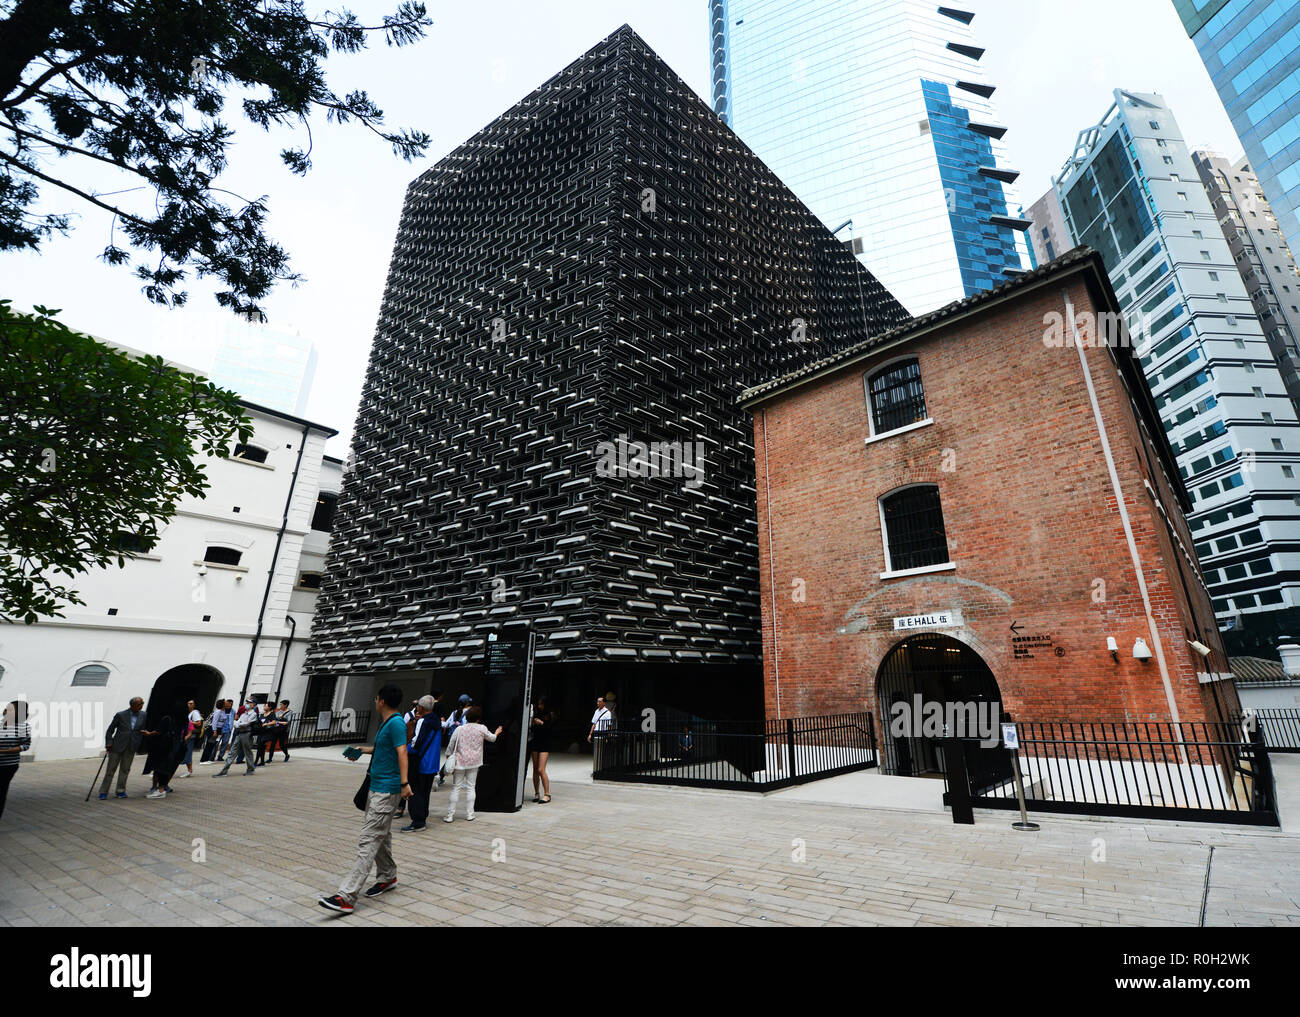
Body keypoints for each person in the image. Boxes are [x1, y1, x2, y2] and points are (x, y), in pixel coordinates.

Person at [319, 684, 412, 914]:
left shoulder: (397, 723)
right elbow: (386, 749)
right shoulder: (387, 724)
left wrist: (404, 784)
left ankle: (347, 896)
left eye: (376, 698)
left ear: (381, 700)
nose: (375, 700)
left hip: (386, 790)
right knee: (381, 834)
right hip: (376, 786)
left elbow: (402, 751)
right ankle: (388, 876)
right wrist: (363, 749)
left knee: (369, 840)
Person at [443, 706, 502, 824]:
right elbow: (492, 739)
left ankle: (450, 815)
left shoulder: (460, 729)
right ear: (478, 718)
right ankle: (470, 814)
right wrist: (497, 732)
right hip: (474, 762)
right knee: (471, 787)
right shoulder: (482, 728)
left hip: (460, 762)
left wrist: (448, 755)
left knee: (456, 788)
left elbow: (451, 744)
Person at [401, 694, 442, 832]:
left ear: (422, 708)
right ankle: (422, 817)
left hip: (420, 762)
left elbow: (416, 743)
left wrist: (403, 750)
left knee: (415, 792)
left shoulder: (423, 721)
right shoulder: (436, 720)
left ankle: (417, 821)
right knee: (425, 792)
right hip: (432, 763)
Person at [99, 697, 150, 799]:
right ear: (133, 705)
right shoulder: (121, 715)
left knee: (125, 769)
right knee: (110, 770)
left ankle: (120, 790)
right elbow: (110, 730)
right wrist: (108, 742)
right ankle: (103, 791)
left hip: (131, 746)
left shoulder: (144, 715)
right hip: (117, 746)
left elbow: (143, 728)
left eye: (142, 703)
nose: (142, 705)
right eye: (140, 704)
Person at [0, 700, 32, 821]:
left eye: (11, 709)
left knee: (1, 792)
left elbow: (25, 745)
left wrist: (5, 751)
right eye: (7, 708)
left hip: (8, 766)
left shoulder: (23, 727)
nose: (7, 711)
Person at [214, 700, 260, 776]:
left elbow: (246, 724)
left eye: (249, 703)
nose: (247, 705)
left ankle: (250, 769)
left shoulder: (253, 714)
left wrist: (238, 724)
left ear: (253, 705)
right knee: (232, 751)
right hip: (240, 733)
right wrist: (238, 724)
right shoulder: (243, 714)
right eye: (246, 703)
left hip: (247, 734)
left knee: (247, 752)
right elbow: (236, 722)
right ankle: (224, 770)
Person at [143, 714, 184, 799]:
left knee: (159, 769)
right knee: (164, 769)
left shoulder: (167, 718)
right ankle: (160, 788)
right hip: (172, 748)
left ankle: (159, 790)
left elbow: (159, 731)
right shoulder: (179, 720)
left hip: (164, 749)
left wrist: (149, 733)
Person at [440, 694, 472, 787]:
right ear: (467, 703)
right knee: (460, 760)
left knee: (452, 758)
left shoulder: (454, 712)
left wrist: (439, 721)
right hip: (462, 738)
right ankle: (458, 781)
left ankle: (440, 776)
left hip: (451, 737)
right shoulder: (469, 713)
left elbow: (446, 724)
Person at [529, 696, 553, 804]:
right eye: (538, 704)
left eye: (541, 704)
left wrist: (541, 723)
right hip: (536, 742)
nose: (539, 706)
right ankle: (536, 793)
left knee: (541, 769)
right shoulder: (536, 714)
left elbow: (550, 729)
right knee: (535, 769)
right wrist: (534, 723)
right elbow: (532, 729)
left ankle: (547, 794)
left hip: (545, 744)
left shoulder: (550, 714)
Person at [181, 699, 203, 776]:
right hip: (186, 734)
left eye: (191, 703)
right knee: (186, 751)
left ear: (194, 705)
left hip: (191, 735)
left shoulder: (195, 712)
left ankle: (189, 770)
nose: (189, 705)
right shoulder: (189, 713)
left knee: (188, 751)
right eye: (188, 703)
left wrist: (189, 722)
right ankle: (189, 770)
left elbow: (198, 723)